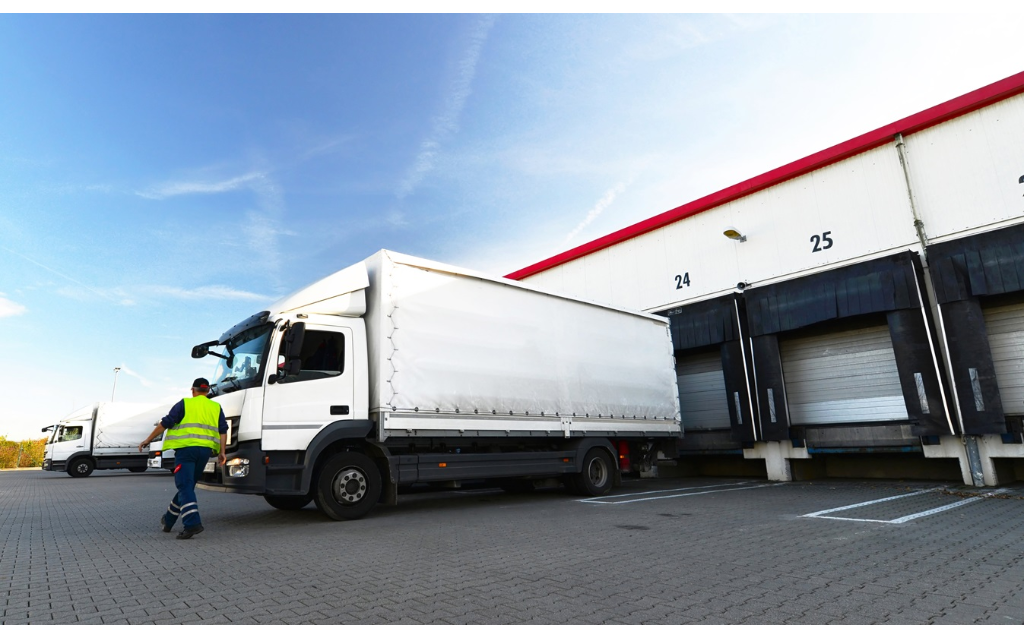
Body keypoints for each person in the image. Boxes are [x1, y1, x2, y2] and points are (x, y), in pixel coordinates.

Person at [139, 378, 227, 539]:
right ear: (207, 391)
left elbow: (165, 423)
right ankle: (169, 520)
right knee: (188, 486)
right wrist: (222, 451)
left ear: (192, 390)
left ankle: (192, 524)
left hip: (186, 451)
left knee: (185, 485)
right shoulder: (216, 407)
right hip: (205, 452)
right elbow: (223, 430)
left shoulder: (185, 403)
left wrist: (147, 440)